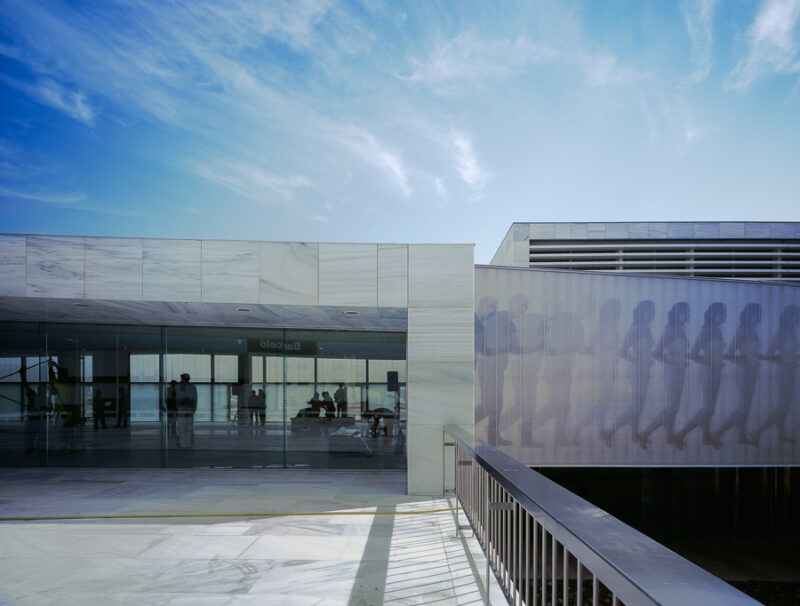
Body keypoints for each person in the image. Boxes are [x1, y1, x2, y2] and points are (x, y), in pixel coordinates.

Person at [602, 300, 655, 447]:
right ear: (643, 312)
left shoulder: (647, 328)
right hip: (637, 371)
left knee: (639, 405)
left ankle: (634, 435)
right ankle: (609, 431)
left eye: (654, 311)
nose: (653, 313)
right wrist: (642, 362)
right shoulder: (635, 328)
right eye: (651, 310)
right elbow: (622, 352)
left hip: (644, 371)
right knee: (636, 406)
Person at [675, 302, 727, 448]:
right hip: (708, 373)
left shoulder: (718, 331)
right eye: (722, 312)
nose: (725, 315)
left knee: (711, 407)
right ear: (714, 314)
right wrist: (712, 364)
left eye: (725, 313)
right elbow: (692, 354)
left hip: (716, 373)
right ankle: (681, 434)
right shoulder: (706, 331)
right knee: (708, 408)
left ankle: (706, 437)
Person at [639, 302, 690, 448]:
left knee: (674, 407)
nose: (689, 315)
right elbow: (656, 353)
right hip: (672, 372)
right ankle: (645, 433)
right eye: (687, 312)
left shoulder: (681, 330)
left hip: (679, 372)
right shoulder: (670, 330)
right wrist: (677, 363)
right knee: (671, 408)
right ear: (678, 314)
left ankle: (670, 437)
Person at [713, 304, 762, 446]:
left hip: (752, 373)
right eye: (757, 313)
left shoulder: (753, 331)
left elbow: (752, 353)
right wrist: (744, 361)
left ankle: (742, 437)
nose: (760, 317)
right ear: (750, 315)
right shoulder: (742, 331)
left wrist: (756, 360)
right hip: (744, 373)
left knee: (746, 406)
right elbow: (728, 354)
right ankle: (717, 433)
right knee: (743, 407)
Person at [751, 304, 800, 444]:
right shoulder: (781, 332)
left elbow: (789, 354)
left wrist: (794, 361)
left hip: (790, 372)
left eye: (797, 315)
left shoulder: (792, 333)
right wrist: (785, 364)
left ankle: (781, 435)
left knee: (784, 406)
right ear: (787, 317)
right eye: (794, 315)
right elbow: (769, 355)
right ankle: (757, 432)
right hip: (783, 373)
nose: (796, 318)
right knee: (782, 407)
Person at [175, 373, 197, 448]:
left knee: (183, 428)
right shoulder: (192, 387)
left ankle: (183, 444)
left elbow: (177, 399)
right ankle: (186, 444)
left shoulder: (179, 387)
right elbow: (195, 400)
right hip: (188, 409)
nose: (181, 380)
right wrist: (194, 409)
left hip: (183, 409)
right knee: (187, 428)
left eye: (182, 379)